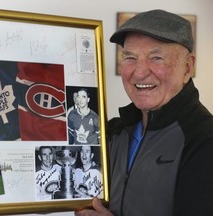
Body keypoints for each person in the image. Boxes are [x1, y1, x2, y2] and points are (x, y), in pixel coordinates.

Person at [75, 9, 213, 216]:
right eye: (130, 57)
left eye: (156, 57)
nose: (139, 72)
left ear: (187, 67)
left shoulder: (204, 139)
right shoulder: (112, 132)